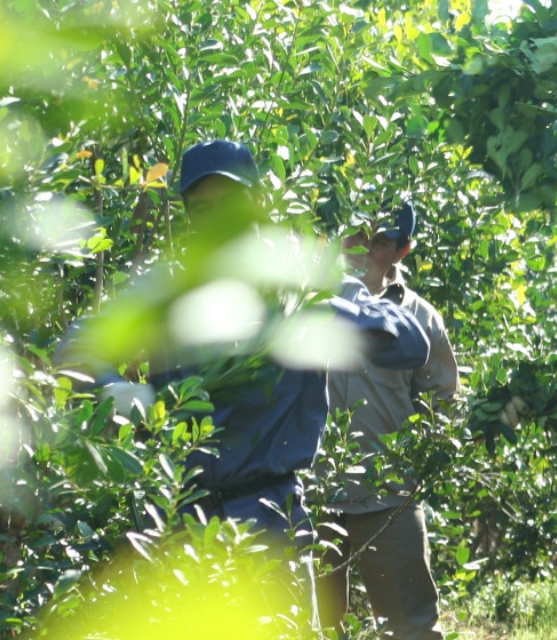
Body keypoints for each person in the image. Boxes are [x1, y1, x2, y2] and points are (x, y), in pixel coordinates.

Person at [61, 140, 430, 544]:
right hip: (179, 516)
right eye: (203, 211)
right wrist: (117, 389)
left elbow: (411, 343)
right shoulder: (167, 287)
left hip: (271, 519)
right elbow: (78, 348)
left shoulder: (303, 279)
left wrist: (313, 310)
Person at [318, 200, 457, 640]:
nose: (359, 248)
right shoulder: (308, 304)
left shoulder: (419, 318)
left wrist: (416, 468)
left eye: (377, 241)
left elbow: (443, 402)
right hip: (310, 496)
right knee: (307, 627)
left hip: (387, 500)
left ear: (401, 251)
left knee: (410, 627)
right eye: (356, 234)